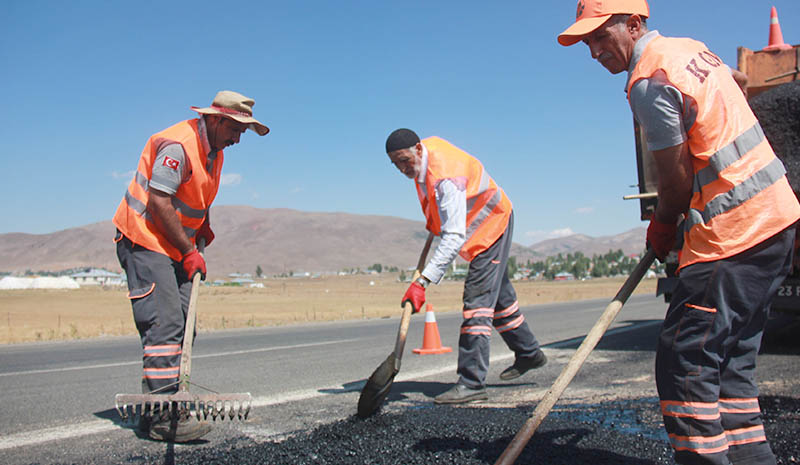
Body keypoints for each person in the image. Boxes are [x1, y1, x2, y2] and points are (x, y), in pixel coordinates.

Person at [558, 2, 800, 464]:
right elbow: (739, 81)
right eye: (586, 42)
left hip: (734, 237)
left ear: (633, 24)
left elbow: (675, 179)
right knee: (729, 367)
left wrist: (664, 224)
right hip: (778, 220)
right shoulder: (691, 50)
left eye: (599, 36)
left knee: (684, 367)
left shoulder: (649, 81)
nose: (592, 51)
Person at [112, 90, 269, 442]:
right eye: (235, 129)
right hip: (145, 240)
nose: (238, 138)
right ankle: (163, 416)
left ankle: (160, 402)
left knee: (184, 325)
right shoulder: (178, 147)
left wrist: (203, 227)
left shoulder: (215, 152)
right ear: (215, 119)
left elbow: (197, 196)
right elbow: (157, 200)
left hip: (174, 245)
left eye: (243, 131)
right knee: (165, 322)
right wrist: (188, 251)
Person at [385, 129, 547, 404]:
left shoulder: (446, 176)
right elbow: (443, 213)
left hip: (492, 225)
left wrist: (422, 282)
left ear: (418, 150)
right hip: (477, 232)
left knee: (477, 303)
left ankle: (472, 383)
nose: (402, 169)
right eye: (396, 164)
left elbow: (453, 236)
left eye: (404, 161)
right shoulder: (424, 162)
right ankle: (529, 353)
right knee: (499, 301)